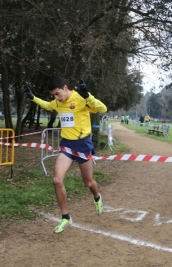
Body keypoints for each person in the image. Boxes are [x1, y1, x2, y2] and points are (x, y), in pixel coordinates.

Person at [22, 76, 107, 233]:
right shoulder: (57, 102)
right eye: (53, 95)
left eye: (57, 94)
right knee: (57, 180)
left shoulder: (80, 98)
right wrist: (32, 98)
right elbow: (47, 105)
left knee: (88, 182)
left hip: (83, 144)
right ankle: (65, 217)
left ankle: (97, 197)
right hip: (66, 145)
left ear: (65, 88)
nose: (56, 98)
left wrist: (88, 95)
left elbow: (103, 108)